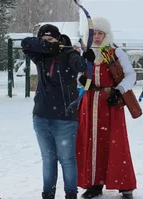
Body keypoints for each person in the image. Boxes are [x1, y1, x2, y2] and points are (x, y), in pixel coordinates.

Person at [21, 24, 95, 199]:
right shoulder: (39, 55)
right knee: (48, 159)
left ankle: (71, 195)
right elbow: (25, 43)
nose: (46, 42)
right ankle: (48, 194)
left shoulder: (68, 53)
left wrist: (87, 59)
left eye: (50, 39)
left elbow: (81, 66)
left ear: (58, 38)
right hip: (40, 116)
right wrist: (47, 46)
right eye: (43, 40)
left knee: (67, 160)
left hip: (64, 118)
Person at [76, 17, 137, 199]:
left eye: (100, 33)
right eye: (93, 33)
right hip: (90, 103)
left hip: (110, 103)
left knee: (115, 142)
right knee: (91, 142)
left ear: (106, 34)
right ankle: (94, 184)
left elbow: (130, 75)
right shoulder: (86, 53)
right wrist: (80, 77)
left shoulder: (115, 52)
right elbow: (79, 75)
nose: (97, 37)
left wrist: (119, 91)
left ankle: (124, 185)